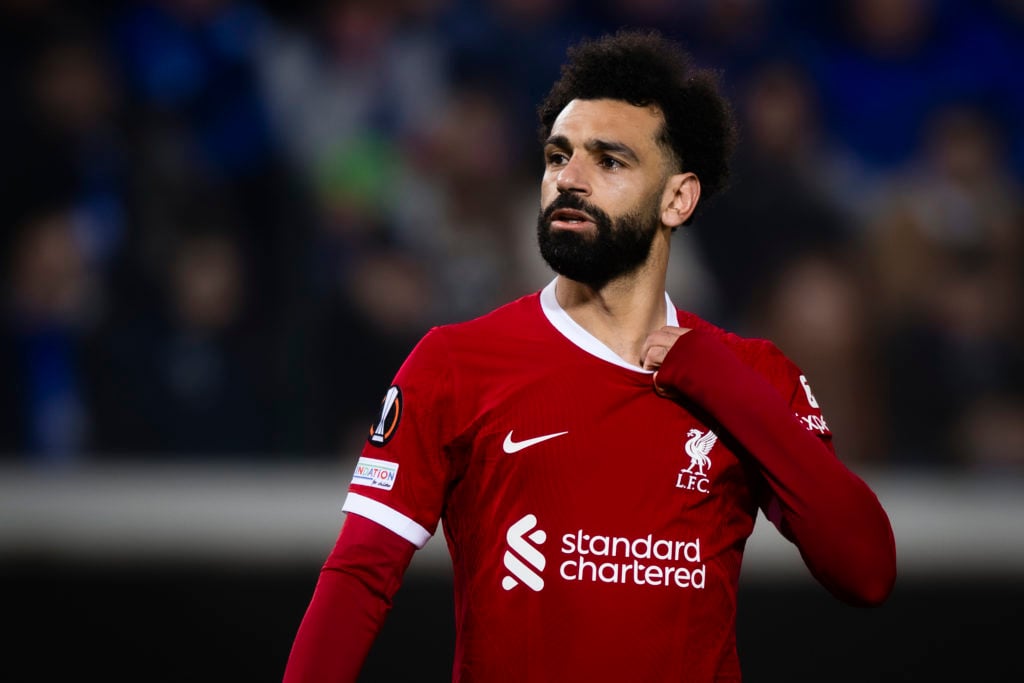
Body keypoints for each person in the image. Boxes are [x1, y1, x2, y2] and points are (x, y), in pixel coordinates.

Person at [283, 29, 897, 682]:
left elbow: (866, 570)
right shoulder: (454, 363)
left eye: (609, 161)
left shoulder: (750, 375)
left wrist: (725, 385)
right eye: (557, 156)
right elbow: (359, 575)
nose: (568, 179)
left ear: (678, 198)